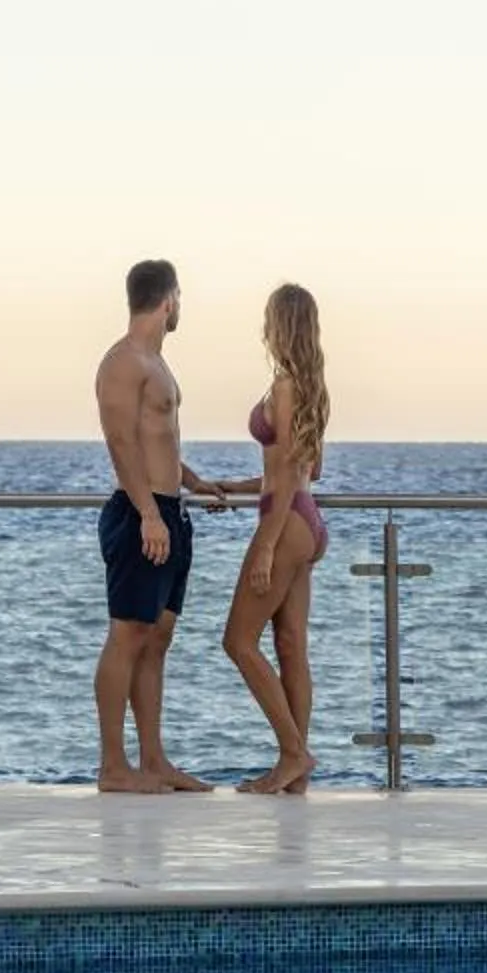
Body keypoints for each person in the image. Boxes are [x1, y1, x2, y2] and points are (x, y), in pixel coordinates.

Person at [93, 261, 257, 794]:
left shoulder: (157, 364)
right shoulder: (123, 362)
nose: (181, 308)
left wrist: (193, 481)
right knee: (127, 634)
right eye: (180, 299)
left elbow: (158, 441)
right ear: (169, 300)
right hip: (142, 515)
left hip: (171, 512)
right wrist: (146, 514)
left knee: (158, 638)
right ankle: (114, 766)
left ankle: (154, 760)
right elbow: (121, 443)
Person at [224, 282, 332, 795]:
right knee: (290, 645)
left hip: (284, 523)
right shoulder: (311, 388)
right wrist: (231, 486)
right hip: (305, 520)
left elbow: (287, 473)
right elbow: (311, 470)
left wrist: (265, 544)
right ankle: (295, 774)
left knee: (238, 641)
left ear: (279, 325)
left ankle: (293, 753)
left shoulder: (286, 387)